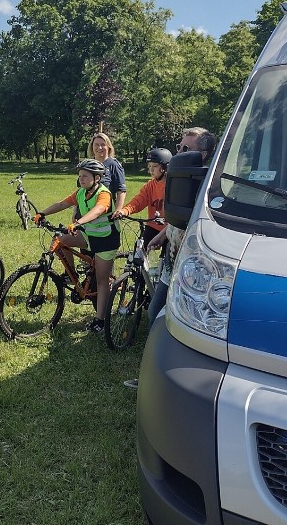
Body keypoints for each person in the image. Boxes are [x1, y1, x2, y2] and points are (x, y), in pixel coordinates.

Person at [125, 128, 216, 390]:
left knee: (191, 326)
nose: (179, 154)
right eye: (179, 148)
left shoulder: (208, 182)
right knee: (155, 312)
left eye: (186, 150)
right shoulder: (180, 176)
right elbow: (178, 213)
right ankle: (152, 378)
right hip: (170, 260)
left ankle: (185, 384)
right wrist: (163, 234)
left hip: (192, 266)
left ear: (204, 154)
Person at [33, 158, 121, 334]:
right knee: (61, 240)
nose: (81, 179)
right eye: (80, 175)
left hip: (106, 239)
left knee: (102, 280)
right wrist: (42, 213)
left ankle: (100, 320)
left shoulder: (104, 193)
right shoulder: (81, 192)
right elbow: (62, 203)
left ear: (97, 178)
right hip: (89, 235)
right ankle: (70, 275)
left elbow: (99, 209)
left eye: (85, 176)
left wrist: (78, 222)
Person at [110, 147, 171, 250]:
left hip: (169, 229)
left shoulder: (172, 186)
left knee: (167, 257)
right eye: (149, 166)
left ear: (165, 167)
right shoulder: (150, 186)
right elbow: (138, 202)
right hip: (153, 226)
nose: (151, 170)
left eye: (155, 166)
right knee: (139, 250)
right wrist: (124, 211)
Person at [89, 132, 127, 210]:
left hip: (105, 213)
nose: (99, 148)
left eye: (103, 144)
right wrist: (76, 211)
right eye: (96, 145)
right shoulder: (88, 165)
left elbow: (121, 191)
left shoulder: (114, 165)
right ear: (92, 147)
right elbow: (80, 191)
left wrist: (117, 211)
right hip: (85, 212)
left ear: (108, 147)